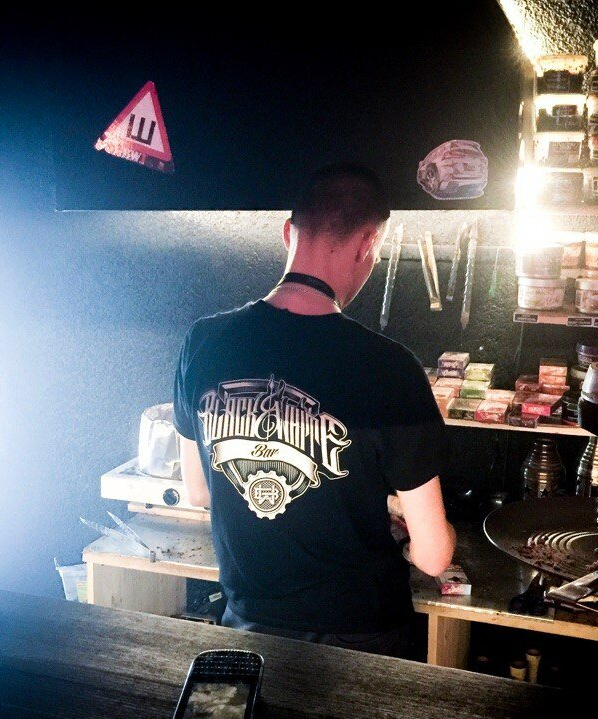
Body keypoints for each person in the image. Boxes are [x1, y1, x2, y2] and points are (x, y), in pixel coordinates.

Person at [173, 163, 456, 657]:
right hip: (362, 638)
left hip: (248, 624)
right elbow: (434, 558)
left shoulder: (204, 340)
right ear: (368, 244)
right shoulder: (389, 367)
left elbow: (198, 491)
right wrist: (425, 532)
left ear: (288, 233)